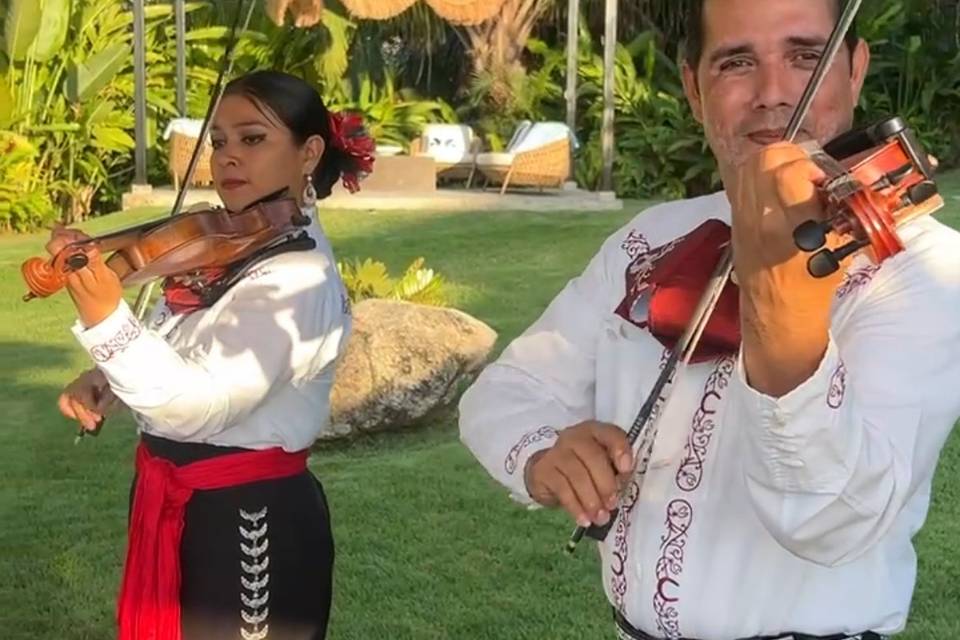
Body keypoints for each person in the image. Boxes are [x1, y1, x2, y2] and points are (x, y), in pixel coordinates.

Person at [458, 1, 960, 639]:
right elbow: (502, 393)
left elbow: (833, 520)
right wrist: (541, 452)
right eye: (738, 61)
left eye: (807, 56)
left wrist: (781, 305)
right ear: (694, 87)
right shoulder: (651, 239)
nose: (774, 94)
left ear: (855, 70)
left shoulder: (922, 270)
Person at [50, 69, 374, 640]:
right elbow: (188, 350)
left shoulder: (298, 277)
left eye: (252, 139)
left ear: (310, 153)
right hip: (180, 506)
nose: (227, 157)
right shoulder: (228, 248)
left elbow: (202, 406)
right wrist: (110, 377)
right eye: (218, 141)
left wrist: (106, 321)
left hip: (249, 520)